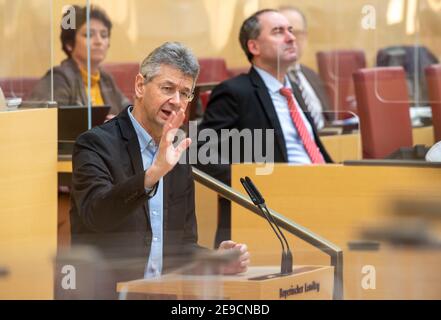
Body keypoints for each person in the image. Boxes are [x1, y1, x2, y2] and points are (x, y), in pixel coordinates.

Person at [68, 42, 250, 299]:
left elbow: (181, 245)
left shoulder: (178, 148)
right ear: (140, 86)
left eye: (185, 93)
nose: (176, 101)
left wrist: (214, 259)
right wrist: (153, 173)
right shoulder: (96, 143)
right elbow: (96, 215)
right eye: (167, 88)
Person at [197, 9, 332, 246]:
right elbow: (203, 154)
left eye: (290, 30)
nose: (291, 37)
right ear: (254, 47)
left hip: (320, 198)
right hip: (271, 211)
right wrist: (256, 188)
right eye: (278, 32)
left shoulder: (295, 91)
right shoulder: (235, 92)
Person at [30, 5, 130, 116]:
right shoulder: (58, 79)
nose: (99, 41)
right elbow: (47, 122)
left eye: (104, 35)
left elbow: (130, 115)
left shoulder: (106, 79)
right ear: (69, 44)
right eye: (88, 35)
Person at [279, 6, 332, 129]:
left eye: (297, 33)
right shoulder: (268, 81)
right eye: (282, 33)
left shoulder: (312, 75)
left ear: (305, 37)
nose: (291, 39)